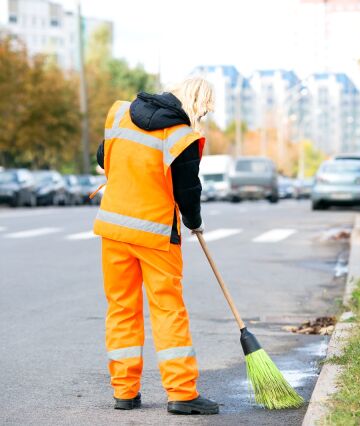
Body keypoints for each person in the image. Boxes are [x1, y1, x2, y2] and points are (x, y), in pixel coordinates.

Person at [94, 77, 219, 415]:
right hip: (155, 235)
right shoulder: (181, 136)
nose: (202, 117)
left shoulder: (118, 113)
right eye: (203, 110)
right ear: (194, 103)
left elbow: (103, 158)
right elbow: (187, 191)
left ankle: (125, 392)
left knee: (121, 309)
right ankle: (181, 394)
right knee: (167, 310)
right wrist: (194, 222)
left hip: (114, 229)